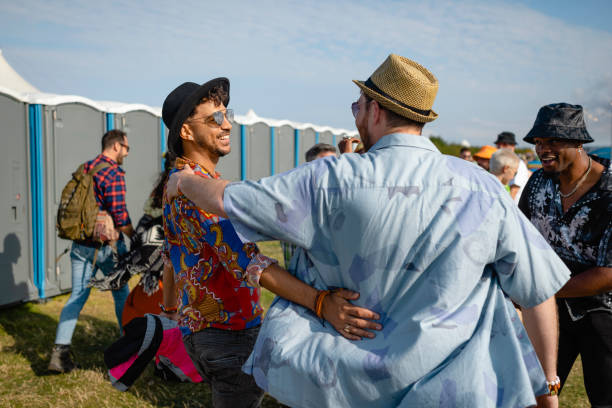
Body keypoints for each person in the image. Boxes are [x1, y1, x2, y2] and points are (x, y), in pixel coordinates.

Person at [167, 55, 570, 407]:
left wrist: (183, 180)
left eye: (357, 105)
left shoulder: (330, 179)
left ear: (374, 110)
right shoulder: (483, 188)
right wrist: (548, 387)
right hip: (460, 390)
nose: (355, 114)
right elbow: (537, 292)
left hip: (347, 386)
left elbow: (226, 199)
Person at [160, 78, 380, 408]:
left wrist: (170, 312)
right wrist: (321, 303)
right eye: (215, 119)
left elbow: (170, 257)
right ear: (187, 133)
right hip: (227, 333)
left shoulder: (180, 181)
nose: (227, 125)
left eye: (227, 114)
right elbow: (250, 264)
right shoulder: (196, 188)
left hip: (203, 331)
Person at [519, 103, 612, 407]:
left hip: (603, 311)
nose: (543, 149)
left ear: (579, 143)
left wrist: (544, 290)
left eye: (553, 141)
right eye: (539, 142)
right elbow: (519, 240)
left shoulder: (608, 190)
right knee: (535, 393)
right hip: (550, 311)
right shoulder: (538, 183)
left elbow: (609, 273)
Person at [49, 129, 134, 373]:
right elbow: (119, 214)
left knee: (77, 295)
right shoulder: (112, 173)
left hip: (80, 245)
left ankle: (60, 352)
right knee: (121, 294)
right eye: (127, 148)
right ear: (116, 146)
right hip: (106, 247)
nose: (127, 153)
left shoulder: (86, 168)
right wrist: (135, 236)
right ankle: (127, 349)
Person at [281, 143, 338, 268]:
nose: (333, 169)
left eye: (335, 163)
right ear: (310, 168)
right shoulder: (296, 205)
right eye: (327, 164)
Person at [495, 131, 530, 202]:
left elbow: (514, 191)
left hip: (514, 207)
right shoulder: (503, 162)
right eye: (498, 144)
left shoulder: (518, 163)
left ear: (513, 146)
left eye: (504, 144)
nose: (500, 147)